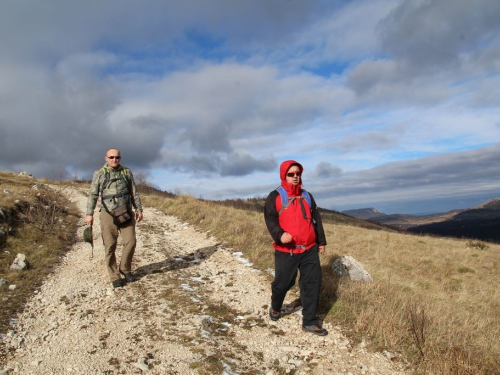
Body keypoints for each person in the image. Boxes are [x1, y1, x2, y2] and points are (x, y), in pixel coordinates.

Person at [264, 160, 328, 336]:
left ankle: (310, 321)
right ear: (284, 175)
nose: (295, 177)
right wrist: (280, 235)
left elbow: (316, 220)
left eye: (298, 174)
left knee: (312, 283)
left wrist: (321, 242)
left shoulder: (307, 196)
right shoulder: (275, 197)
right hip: (287, 251)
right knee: (283, 283)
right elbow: (270, 220)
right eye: (291, 174)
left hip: (309, 249)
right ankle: (276, 307)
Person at [85, 148, 144, 288]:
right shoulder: (99, 174)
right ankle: (114, 275)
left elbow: (134, 192)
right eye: (111, 157)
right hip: (107, 213)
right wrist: (89, 214)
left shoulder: (126, 172)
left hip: (126, 212)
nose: (114, 160)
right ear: (106, 158)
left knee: (131, 241)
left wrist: (139, 209)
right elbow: (93, 194)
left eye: (117, 157)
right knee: (110, 245)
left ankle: (125, 268)